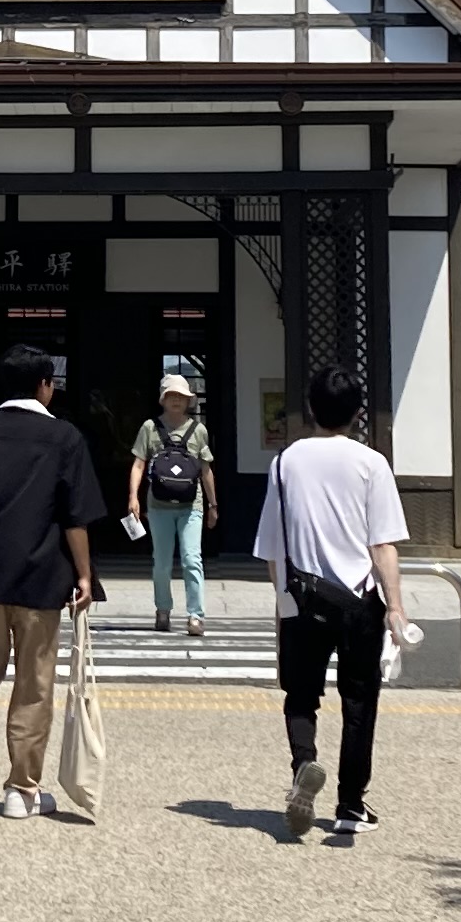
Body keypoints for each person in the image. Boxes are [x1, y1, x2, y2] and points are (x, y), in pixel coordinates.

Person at [0, 341, 106, 831]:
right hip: (40, 581)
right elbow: (75, 518)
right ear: (44, 385)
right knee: (34, 688)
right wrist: (84, 574)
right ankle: (21, 791)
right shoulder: (65, 437)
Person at [250, 361, 409, 843]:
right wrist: (396, 608)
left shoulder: (285, 462)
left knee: (301, 696)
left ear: (310, 409)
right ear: (358, 412)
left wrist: (283, 601)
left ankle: (304, 764)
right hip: (359, 599)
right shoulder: (371, 463)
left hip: (303, 597)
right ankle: (350, 805)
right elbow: (382, 545)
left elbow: (273, 546)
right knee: (359, 702)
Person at [122, 372, 218, 636]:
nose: (176, 400)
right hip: (159, 505)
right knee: (162, 562)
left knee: (191, 559)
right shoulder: (150, 428)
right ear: (163, 399)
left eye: (181, 396)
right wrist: (133, 496)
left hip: (191, 504)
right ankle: (163, 609)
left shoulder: (199, 430)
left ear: (188, 400)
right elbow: (139, 463)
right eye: (171, 395)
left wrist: (213, 504)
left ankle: (195, 615)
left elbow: (206, 470)